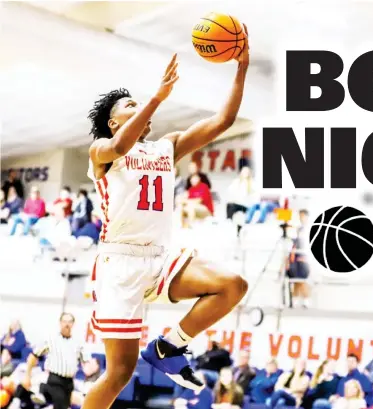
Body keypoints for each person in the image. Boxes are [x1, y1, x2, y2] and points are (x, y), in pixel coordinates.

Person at [81, 33, 250, 409]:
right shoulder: (102, 152)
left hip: (159, 258)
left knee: (232, 285)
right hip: (119, 265)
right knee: (120, 373)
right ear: (113, 121)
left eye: (141, 103)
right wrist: (158, 96)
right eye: (131, 104)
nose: (140, 107)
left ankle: (169, 345)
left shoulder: (166, 147)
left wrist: (241, 68)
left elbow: (223, 121)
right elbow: (121, 146)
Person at [19, 313, 89, 409]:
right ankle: (42, 389)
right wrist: (27, 375)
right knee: (61, 406)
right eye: (64, 321)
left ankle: (42, 390)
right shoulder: (51, 339)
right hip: (55, 379)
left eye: (69, 322)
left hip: (69, 382)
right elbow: (33, 356)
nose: (67, 324)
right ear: (60, 323)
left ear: (73, 324)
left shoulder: (77, 343)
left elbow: (86, 363)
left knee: (65, 405)